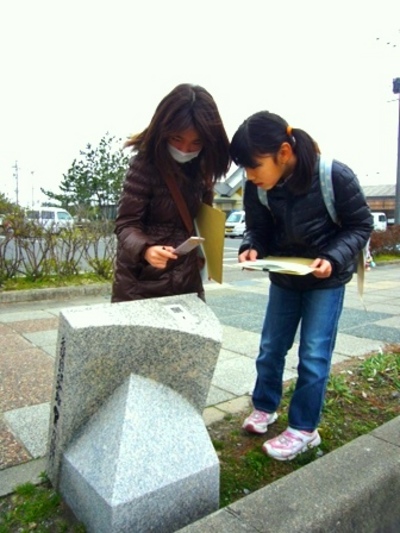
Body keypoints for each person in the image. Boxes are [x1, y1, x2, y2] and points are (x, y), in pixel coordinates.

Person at [230, 111, 373, 461]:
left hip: (326, 279)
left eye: (254, 166)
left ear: (282, 151)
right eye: (245, 168)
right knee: (270, 347)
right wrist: (252, 247)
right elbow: (258, 228)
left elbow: (360, 225)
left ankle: (305, 430)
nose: (249, 176)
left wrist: (334, 257)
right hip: (284, 276)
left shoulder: (333, 175)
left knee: (313, 355)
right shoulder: (257, 187)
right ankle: (265, 407)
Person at [111, 83, 230, 302]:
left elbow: (202, 222)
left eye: (196, 143)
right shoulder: (145, 164)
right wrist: (146, 249)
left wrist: (209, 258)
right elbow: (126, 224)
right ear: (163, 130)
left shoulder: (202, 169)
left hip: (186, 279)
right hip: (141, 280)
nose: (185, 150)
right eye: (177, 139)